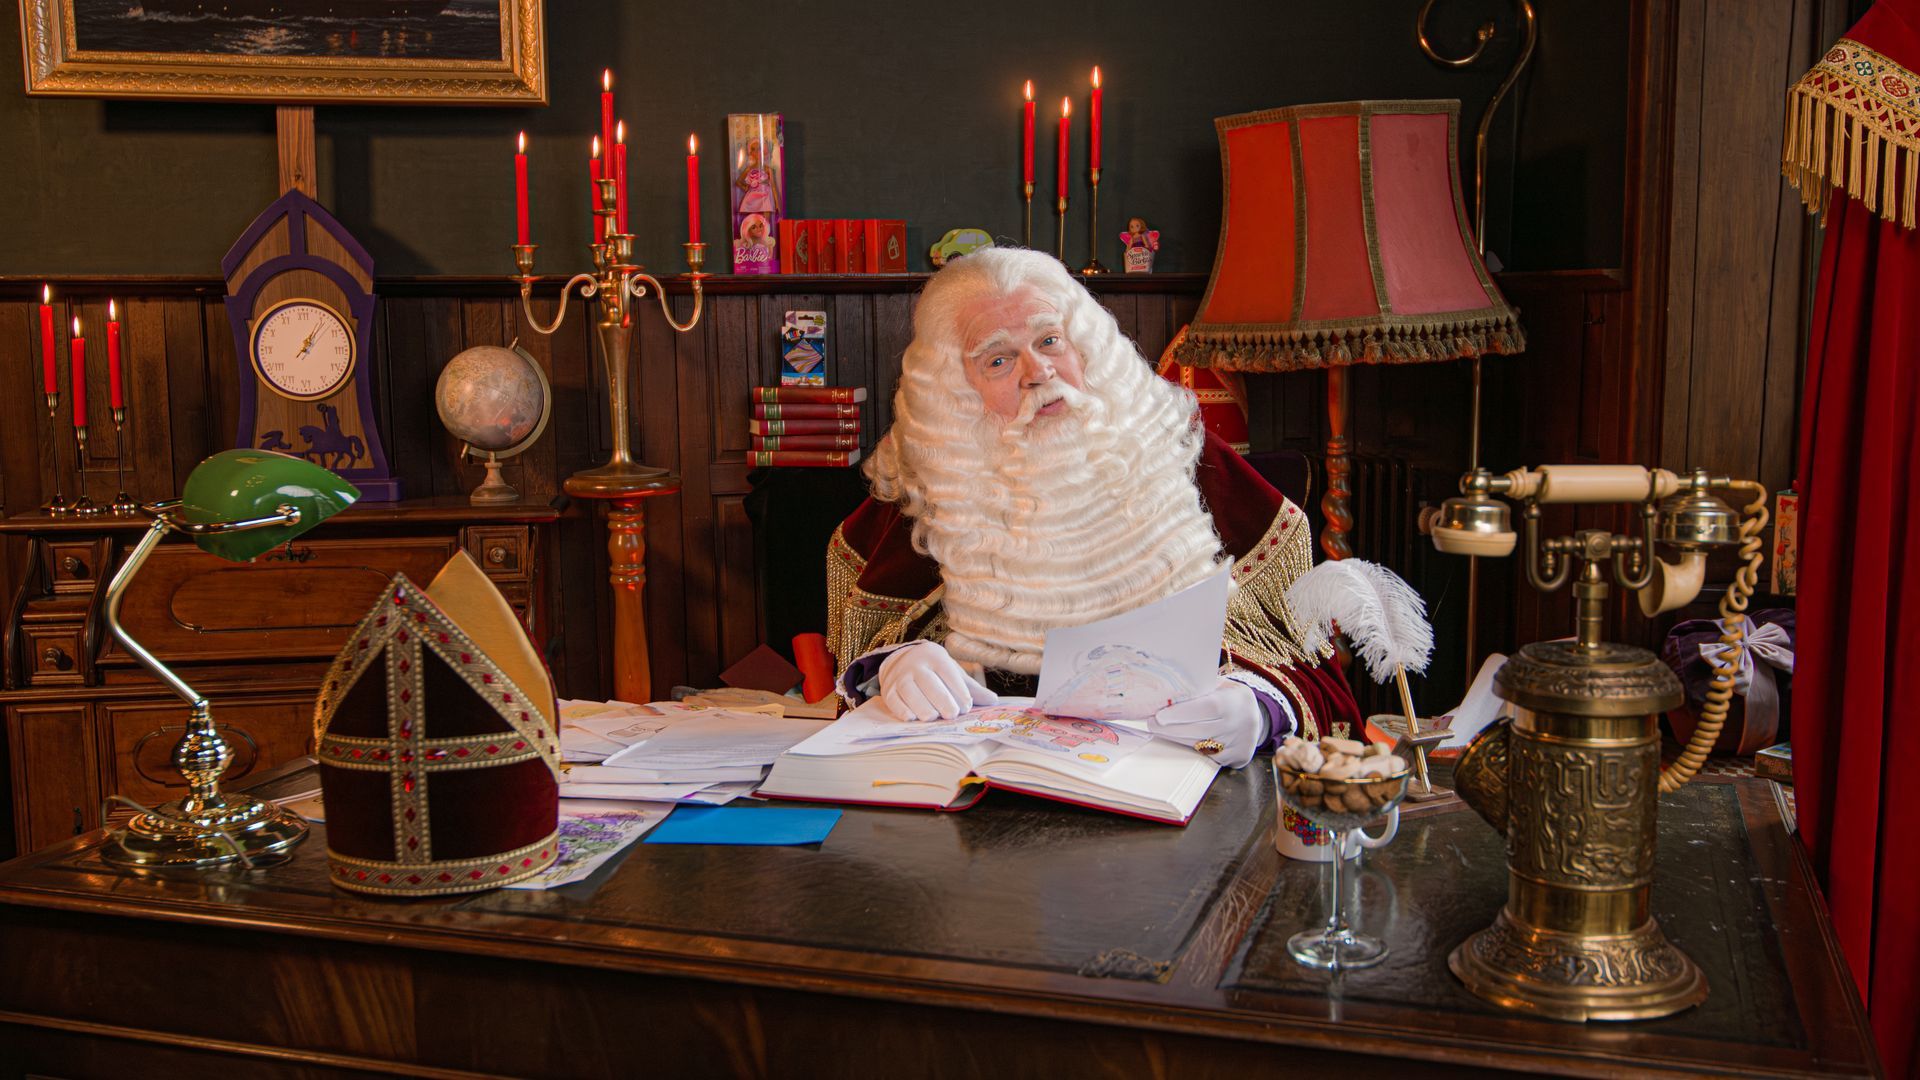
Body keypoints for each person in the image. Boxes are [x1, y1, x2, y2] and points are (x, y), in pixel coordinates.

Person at [827, 248, 1358, 767]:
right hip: (986, 792)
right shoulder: (931, 485)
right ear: (956, 392)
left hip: (1174, 777)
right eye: (998, 359)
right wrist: (892, 665)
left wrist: (1260, 707)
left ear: (1085, 346)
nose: (1038, 371)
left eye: (1050, 340)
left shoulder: (1183, 452)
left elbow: (1306, 662)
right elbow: (858, 649)